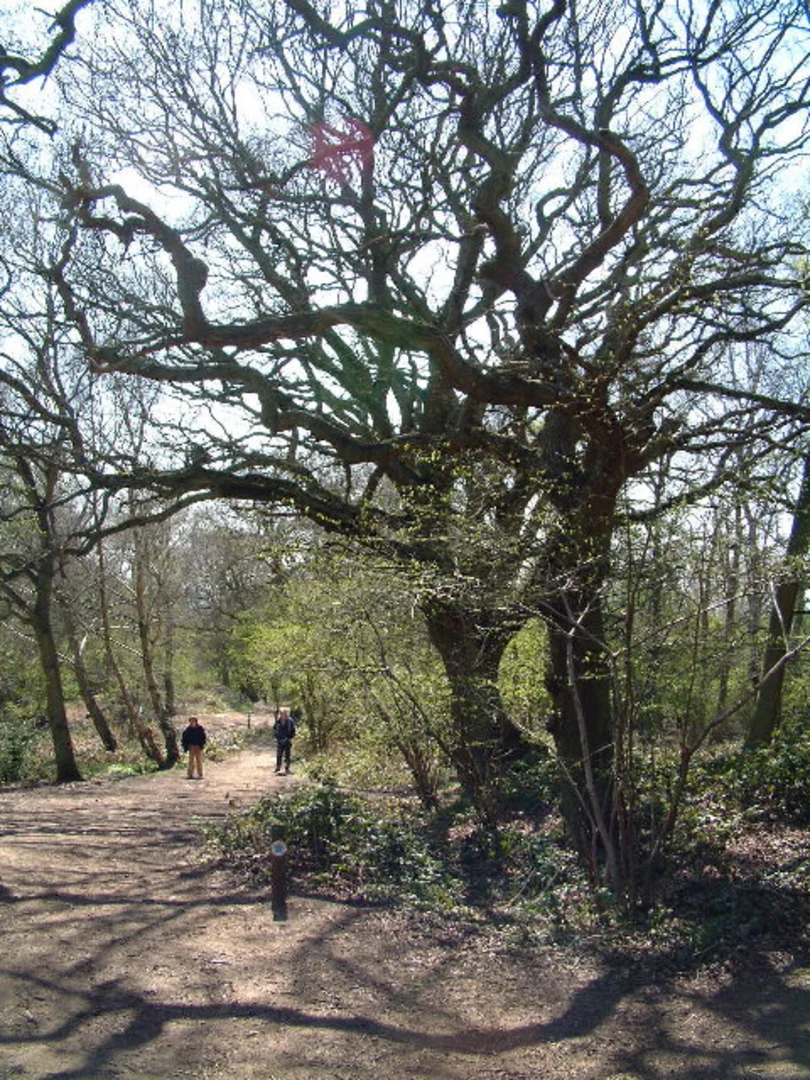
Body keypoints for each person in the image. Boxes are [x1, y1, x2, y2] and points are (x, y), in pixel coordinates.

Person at [273, 707, 296, 775]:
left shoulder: (290, 721)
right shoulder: (278, 721)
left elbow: (293, 731)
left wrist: (289, 738)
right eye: (281, 713)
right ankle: (278, 767)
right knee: (279, 754)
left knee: (287, 755)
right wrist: (277, 738)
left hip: (287, 741)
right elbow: (274, 729)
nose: (282, 714)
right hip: (280, 741)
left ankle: (287, 768)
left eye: (283, 713)